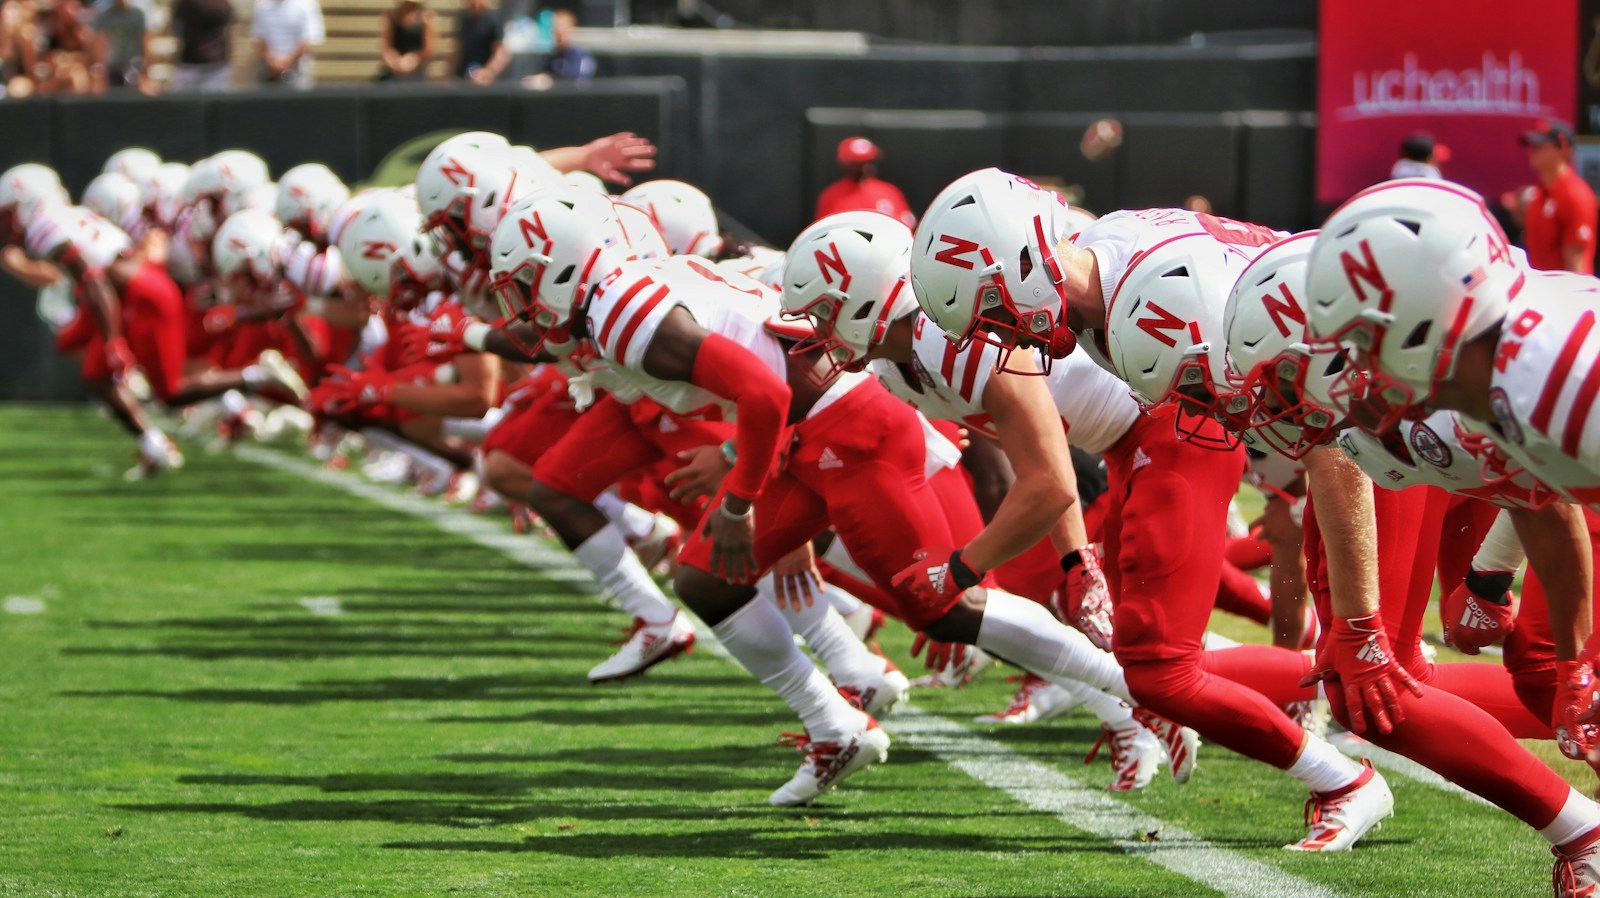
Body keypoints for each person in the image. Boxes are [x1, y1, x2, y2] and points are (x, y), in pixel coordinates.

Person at [1518, 119, 1598, 274]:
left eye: (1540, 145)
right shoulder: (1539, 193)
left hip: (1564, 295)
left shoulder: (1574, 195)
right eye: (1532, 145)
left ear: (1562, 148)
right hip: (1539, 292)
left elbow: (1577, 266)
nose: (1533, 150)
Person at [814, 137, 916, 228]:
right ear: (846, 164)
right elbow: (825, 231)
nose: (865, 167)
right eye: (859, 164)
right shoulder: (832, 195)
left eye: (869, 161)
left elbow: (907, 223)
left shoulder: (888, 191)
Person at [251, 0, 323, 89]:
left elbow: (308, 40)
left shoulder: (307, 4)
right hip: (269, 74)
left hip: (298, 75)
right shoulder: (262, 5)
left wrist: (288, 62)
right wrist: (272, 62)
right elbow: (259, 38)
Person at [167, 0, 232, 93]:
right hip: (217, 62)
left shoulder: (185, 2)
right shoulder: (223, 3)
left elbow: (175, 28)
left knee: (185, 104)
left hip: (190, 61)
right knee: (214, 104)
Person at [447, 0, 507, 85]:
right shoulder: (464, 20)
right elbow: (458, 49)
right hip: (462, 77)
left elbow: (501, 53)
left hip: (482, 81)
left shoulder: (492, 20)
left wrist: (488, 72)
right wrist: (449, 74)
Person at [92, 0, 146, 89]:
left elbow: (144, 41)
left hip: (133, 68)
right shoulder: (104, 15)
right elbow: (99, 44)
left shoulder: (138, 14)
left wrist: (144, 71)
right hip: (111, 69)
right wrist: (100, 72)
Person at [377, 0, 432, 82]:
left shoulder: (426, 17)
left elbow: (429, 49)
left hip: (417, 73)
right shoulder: (391, 16)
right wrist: (395, 63)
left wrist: (413, 60)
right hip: (393, 71)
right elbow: (386, 47)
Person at [542, 9, 591, 81]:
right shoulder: (553, 55)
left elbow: (576, 79)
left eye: (561, 28)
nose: (557, 35)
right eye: (554, 29)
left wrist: (550, 80)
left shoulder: (579, 55)